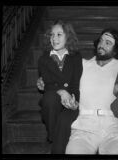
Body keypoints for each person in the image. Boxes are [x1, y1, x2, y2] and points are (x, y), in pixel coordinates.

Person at [62, 28, 118, 154]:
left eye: (108, 43)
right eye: (101, 40)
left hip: (113, 126)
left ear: (116, 50)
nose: (102, 45)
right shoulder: (82, 64)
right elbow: (59, 77)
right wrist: (45, 81)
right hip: (84, 127)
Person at [37, 19, 82, 154]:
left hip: (71, 99)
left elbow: (75, 84)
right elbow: (48, 84)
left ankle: (54, 139)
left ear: (68, 37)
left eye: (59, 34)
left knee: (64, 120)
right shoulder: (43, 59)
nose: (54, 38)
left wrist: (73, 101)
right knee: (50, 98)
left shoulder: (76, 57)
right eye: (52, 34)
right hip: (53, 99)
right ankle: (55, 137)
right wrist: (62, 91)